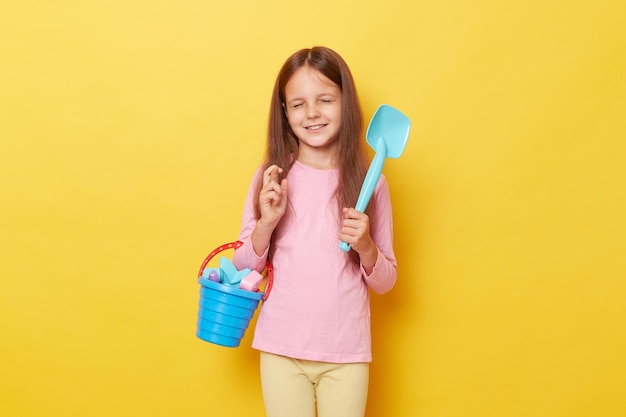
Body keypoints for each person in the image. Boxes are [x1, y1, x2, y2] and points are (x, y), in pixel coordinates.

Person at [232, 46, 397, 417]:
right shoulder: (271, 179)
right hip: (281, 349)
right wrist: (267, 223)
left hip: (346, 353)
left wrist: (366, 246)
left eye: (325, 99)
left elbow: (386, 282)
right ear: (284, 112)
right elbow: (243, 266)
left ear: (346, 103)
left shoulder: (373, 185)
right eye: (298, 104)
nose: (312, 114)